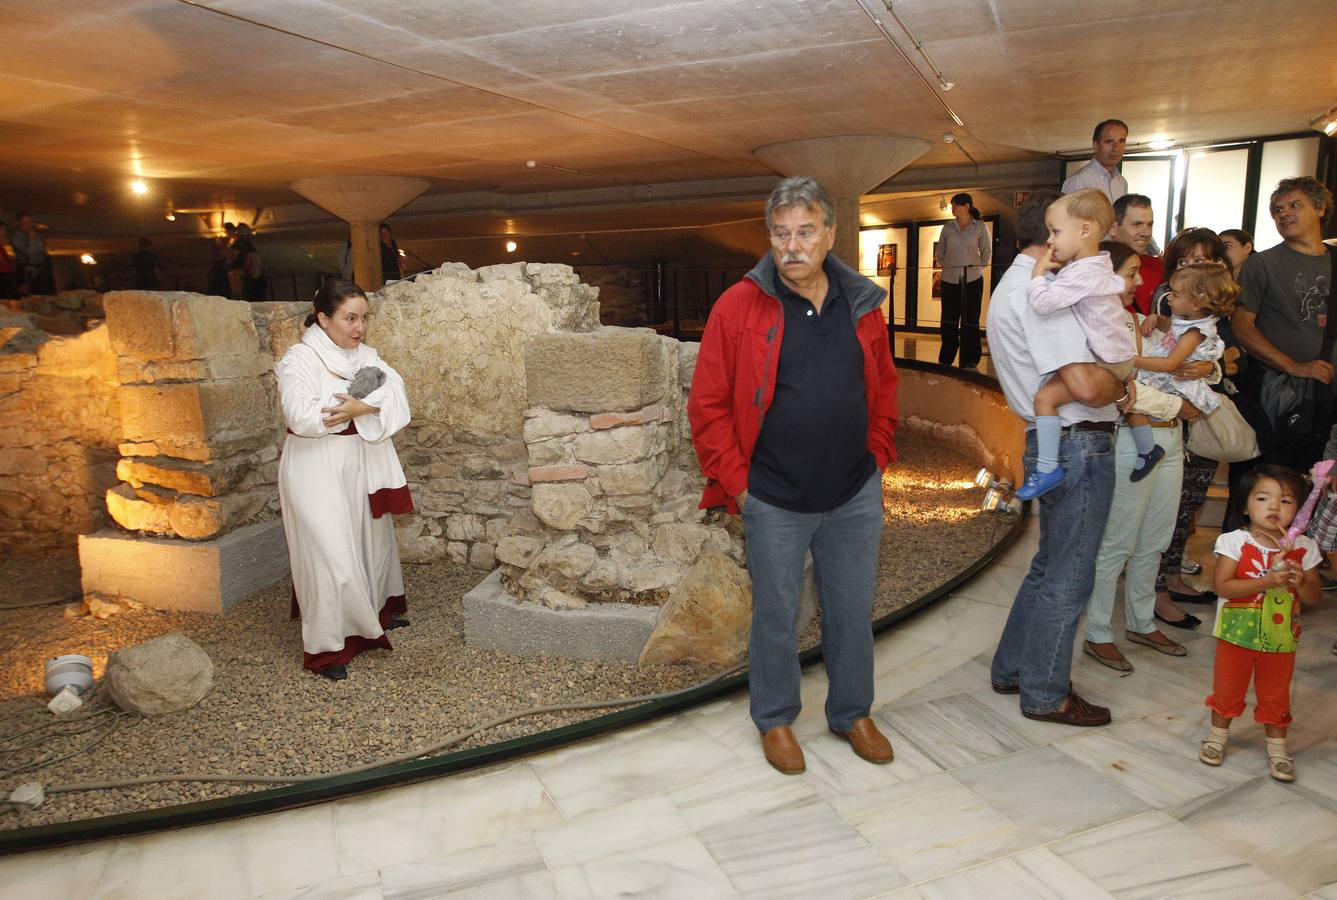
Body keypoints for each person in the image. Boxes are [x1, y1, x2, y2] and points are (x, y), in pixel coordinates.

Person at [688, 175, 898, 775]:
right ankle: (776, 718)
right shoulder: (739, 305)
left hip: (854, 490)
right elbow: (707, 406)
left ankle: (852, 711)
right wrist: (741, 486)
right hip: (774, 496)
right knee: (777, 613)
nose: (792, 246)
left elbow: (882, 383)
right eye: (781, 234)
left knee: (852, 609)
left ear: (830, 234)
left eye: (806, 232)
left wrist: (878, 452)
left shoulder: (862, 303)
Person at [986, 189, 1125, 727]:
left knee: (1049, 566)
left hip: (1055, 435)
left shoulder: (1013, 286)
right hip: (1078, 439)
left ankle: (1014, 667)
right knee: (1071, 574)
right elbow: (1088, 384)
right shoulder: (1046, 294)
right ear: (1052, 236)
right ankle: (1046, 692)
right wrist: (1128, 380)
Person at [276, 280, 414, 680]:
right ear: (323, 318)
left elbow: (397, 393)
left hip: (359, 461)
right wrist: (355, 406)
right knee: (329, 553)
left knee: (369, 541)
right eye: (349, 318)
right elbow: (299, 414)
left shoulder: (367, 356)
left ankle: (373, 614)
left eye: (364, 318)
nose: (359, 328)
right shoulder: (299, 359)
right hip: (314, 465)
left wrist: (362, 405)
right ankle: (328, 646)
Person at [1081, 241, 1194, 672]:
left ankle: (1142, 622)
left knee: (1156, 539)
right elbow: (1118, 391)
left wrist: (1209, 369)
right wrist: (1177, 406)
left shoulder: (1140, 319)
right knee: (1118, 542)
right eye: (1130, 273)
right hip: (1133, 441)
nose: (1140, 280)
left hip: (1172, 440)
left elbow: (1190, 358)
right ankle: (1097, 633)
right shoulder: (1097, 324)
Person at [1015, 189, 1141, 499]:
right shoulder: (1097, 265)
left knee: (1044, 398)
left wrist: (1037, 274)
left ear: (1084, 230)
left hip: (1107, 360)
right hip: (1118, 358)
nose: (1050, 241)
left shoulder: (1080, 274)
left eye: (1056, 232)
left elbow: (1043, 304)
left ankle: (1047, 468)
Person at [1199, 465, 1321, 782]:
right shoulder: (1234, 542)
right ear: (1244, 505)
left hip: (1281, 639)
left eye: (1286, 501)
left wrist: (1302, 578)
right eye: (1263, 498)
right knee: (1227, 690)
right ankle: (1216, 738)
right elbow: (1223, 586)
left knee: (1276, 693)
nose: (1274, 507)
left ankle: (1278, 749)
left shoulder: (1304, 548)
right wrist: (1266, 581)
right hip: (1234, 637)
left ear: (1300, 509)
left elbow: (1313, 597)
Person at [1228, 177, 1336, 522]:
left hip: (1327, 393)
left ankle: (1301, 556)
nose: (1284, 214)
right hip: (1276, 391)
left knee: (1316, 480)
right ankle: (1247, 555)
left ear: (1320, 208)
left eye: (1294, 205)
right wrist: (1292, 366)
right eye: (1277, 209)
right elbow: (1242, 326)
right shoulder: (1263, 264)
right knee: (1266, 478)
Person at [936, 192, 992, 369]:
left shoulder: (979, 227)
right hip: (949, 280)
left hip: (973, 280)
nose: (952, 208)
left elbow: (986, 252)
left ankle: (970, 358)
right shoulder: (947, 228)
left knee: (971, 320)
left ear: (966, 206)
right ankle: (946, 357)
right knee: (948, 321)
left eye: (955, 205)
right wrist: (949, 266)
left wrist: (976, 267)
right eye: (952, 205)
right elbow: (941, 252)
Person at [1111, 194, 1161, 315]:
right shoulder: (1095, 270)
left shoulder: (1159, 267)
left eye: (1150, 225)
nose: (1146, 233)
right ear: (1113, 228)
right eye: (1136, 224)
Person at [1061, 119, 1129, 201]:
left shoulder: (1121, 182)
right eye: (1109, 142)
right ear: (1096, 145)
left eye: (1122, 141)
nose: (1116, 148)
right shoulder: (1079, 180)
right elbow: (1066, 213)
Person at [11, 212, 52, 296]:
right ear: (19, 223)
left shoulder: (36, 236)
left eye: (30, 222)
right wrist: (32, 239)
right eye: (25, 222)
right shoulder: (16, 238)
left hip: (40, 270)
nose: (29, 225)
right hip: (27, 272)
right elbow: (30, 253)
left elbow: (43, 252)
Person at [0, 222, 19, 300]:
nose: (4, 233)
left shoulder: (3, 247)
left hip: (7, 277)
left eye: (5, 230)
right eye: (2, 230)